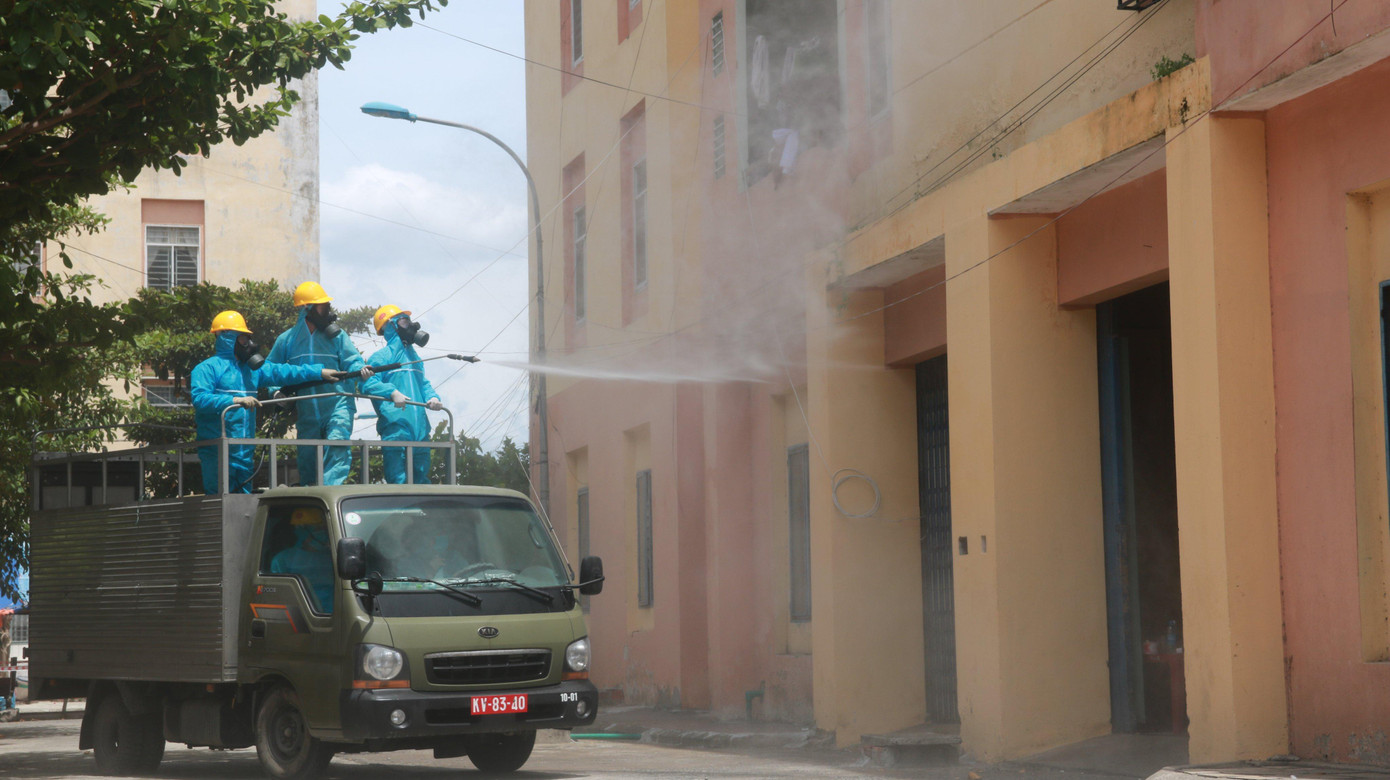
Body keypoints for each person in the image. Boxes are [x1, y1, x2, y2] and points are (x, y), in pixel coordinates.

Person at [267, 282, 407, 486]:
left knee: (337, 444)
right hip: (307, 409)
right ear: (306, 308)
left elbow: (353, 362)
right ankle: (311, 498)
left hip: (338, 405)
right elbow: (270, 370)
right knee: (308, 458)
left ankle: (330, 493)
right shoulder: (287, 340)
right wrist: (275, 392)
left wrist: (362, 371)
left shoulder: (337, 336)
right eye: (322, 306)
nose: (328, 311)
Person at [190, 311, 334, 494]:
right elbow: (200, 399)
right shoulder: (207, 368)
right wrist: (235, 400)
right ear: (227, 338)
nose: (249, 344)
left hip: (244, 452)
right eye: (243, 339)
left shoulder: (251, 370)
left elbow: (283, 372)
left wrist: (319, 372)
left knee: (244, 505)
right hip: (217, 452)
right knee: (219, 503)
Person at [367, 305, 444, 484]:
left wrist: (433, 397)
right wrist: (391, 392)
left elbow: (423, 384)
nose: (410, 325)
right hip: (396, 426)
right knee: (398, 480)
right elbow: (368, 383)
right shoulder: (381, 357)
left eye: (408, 320)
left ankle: (422, 511)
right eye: (403, 321)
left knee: (422, 478)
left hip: (420, 428)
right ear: (390, 326)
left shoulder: (415, 358)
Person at [269, 508, 335, 612]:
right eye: (318, 528)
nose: (324, 532)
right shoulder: (282, 560)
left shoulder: (334, 557)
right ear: (302, 529)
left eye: (324, 528)